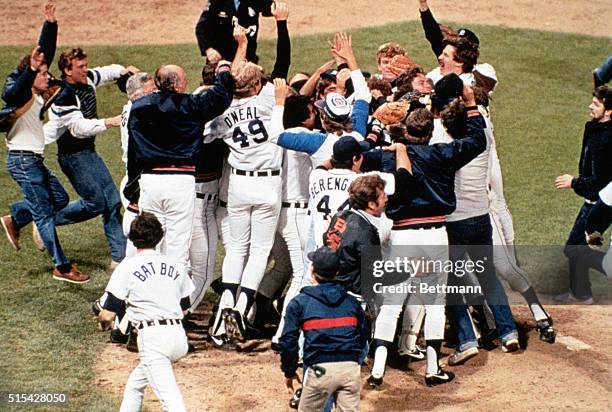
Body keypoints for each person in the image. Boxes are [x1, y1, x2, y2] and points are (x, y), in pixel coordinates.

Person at [204, 4, 290, 345]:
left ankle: (222, 308)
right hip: (268, 185)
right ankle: (240, 308)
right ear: (257, 86)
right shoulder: (268, 100)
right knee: (258, 253)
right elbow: (282, 66)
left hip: (237, 185)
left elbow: (229, 87)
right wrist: (282, 26)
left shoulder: (222, 109)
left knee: (236, 252)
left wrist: (237, 52)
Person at [0, 2, 89, 283]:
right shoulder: (17, 91)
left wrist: (49, 27)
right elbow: (18, 86)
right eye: (42, 73)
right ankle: (61, 267)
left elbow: (43, 55)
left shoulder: (38, 94)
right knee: (44, 213)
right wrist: (32, 69)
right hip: (22, 161)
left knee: (60, 199)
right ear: (30, 74)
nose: (48, 76)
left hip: (33, 161)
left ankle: (15, 217)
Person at [125, 62, 234, 271]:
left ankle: (140, 291)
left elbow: (134, 153)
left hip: (150, 181)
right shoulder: (191, 105)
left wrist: (133, 189)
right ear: (176, 85)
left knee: (148, 242)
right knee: (177, 246)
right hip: (180, 182)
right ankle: (176, 300)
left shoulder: (139, 108)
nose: (187, 82)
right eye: (184, 79)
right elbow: (222, 96)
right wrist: (223, 69)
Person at [43, 47, 132, 269]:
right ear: (67, 70)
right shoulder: (63, 95)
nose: (86, 70)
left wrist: (124, 71)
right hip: (72, 156)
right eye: (80, 67)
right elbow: (78, 128)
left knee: (112, 202)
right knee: (96, 203)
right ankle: (44, 220)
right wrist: (108, 122)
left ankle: (119, 259)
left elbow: (107, 72)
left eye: (85, 65)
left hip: (88, 153)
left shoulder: (88, 78)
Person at [97, 212, 194, 412]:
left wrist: (103, 325)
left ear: (132, 239)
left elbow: (107, 314)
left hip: (153, 341)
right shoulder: (175, 265)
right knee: (135, 384)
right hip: (178, 339)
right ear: (159, 237)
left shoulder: (127, 267)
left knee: (172, 402)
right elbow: (185, 307)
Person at [279, 245, 368, 412]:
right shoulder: (352, 303)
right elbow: (363, 337)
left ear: (312, 270)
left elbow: (288, 341)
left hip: (319, 370)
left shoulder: (300, 302)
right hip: (350, 370)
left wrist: (289, 371)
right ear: (336, 273)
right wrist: (354, 362)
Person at [555, 85, 612, 303]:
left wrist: (574, 182)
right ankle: (581, 294)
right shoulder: (595, 128)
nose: (590, 106)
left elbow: (599, 182)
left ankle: (596, 277)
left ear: (609, 112)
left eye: (596, 104)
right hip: (597, 199)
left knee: (573, 248)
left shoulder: (605, 140)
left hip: (601, 203)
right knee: (575, 247)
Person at [195, 0, 273, 63]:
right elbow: (201, 27)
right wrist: (209, 50)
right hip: (221, 60)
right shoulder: (217, 2)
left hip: (247, 59)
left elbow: (273, 9)